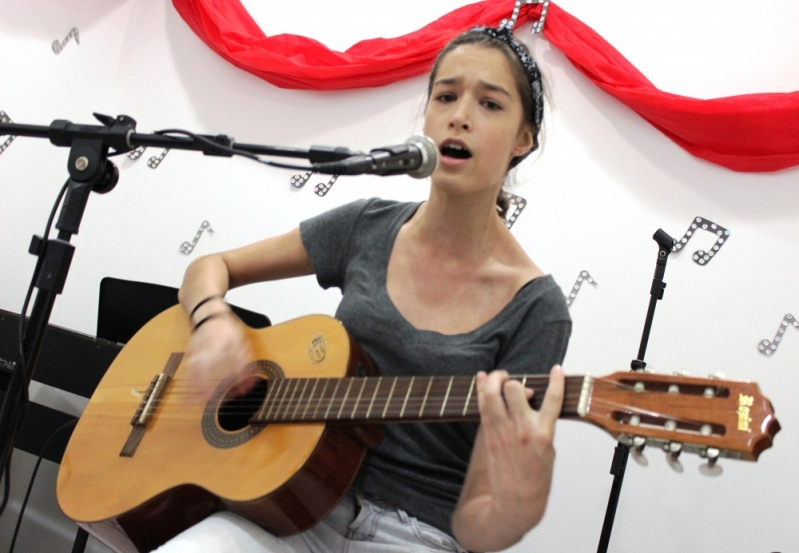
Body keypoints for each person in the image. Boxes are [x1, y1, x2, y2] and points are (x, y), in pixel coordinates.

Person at [164, 24, 572, 553]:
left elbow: (482, 528)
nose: (460, 115)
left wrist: (518, 504)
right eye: (445, 95)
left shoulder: (537, 308)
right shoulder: (366, 226)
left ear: (523, 138)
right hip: (292, 501)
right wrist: (212, 321)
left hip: (417, 534)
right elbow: (210, 266)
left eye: (490, 104)